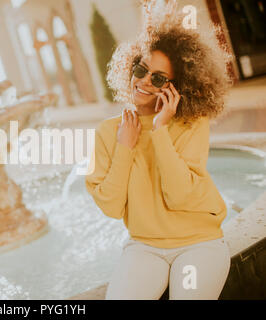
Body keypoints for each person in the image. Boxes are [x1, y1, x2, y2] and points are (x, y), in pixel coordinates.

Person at [85, 1, 234, 300]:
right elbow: (111, 207)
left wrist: (160, 130)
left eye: (158, 78)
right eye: (141, 68)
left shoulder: (192, 123)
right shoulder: (107, 132)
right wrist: (125, 147)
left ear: (176, 87)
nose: (143, 80)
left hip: (199, 244)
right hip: (144, 247)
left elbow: (179, 196)